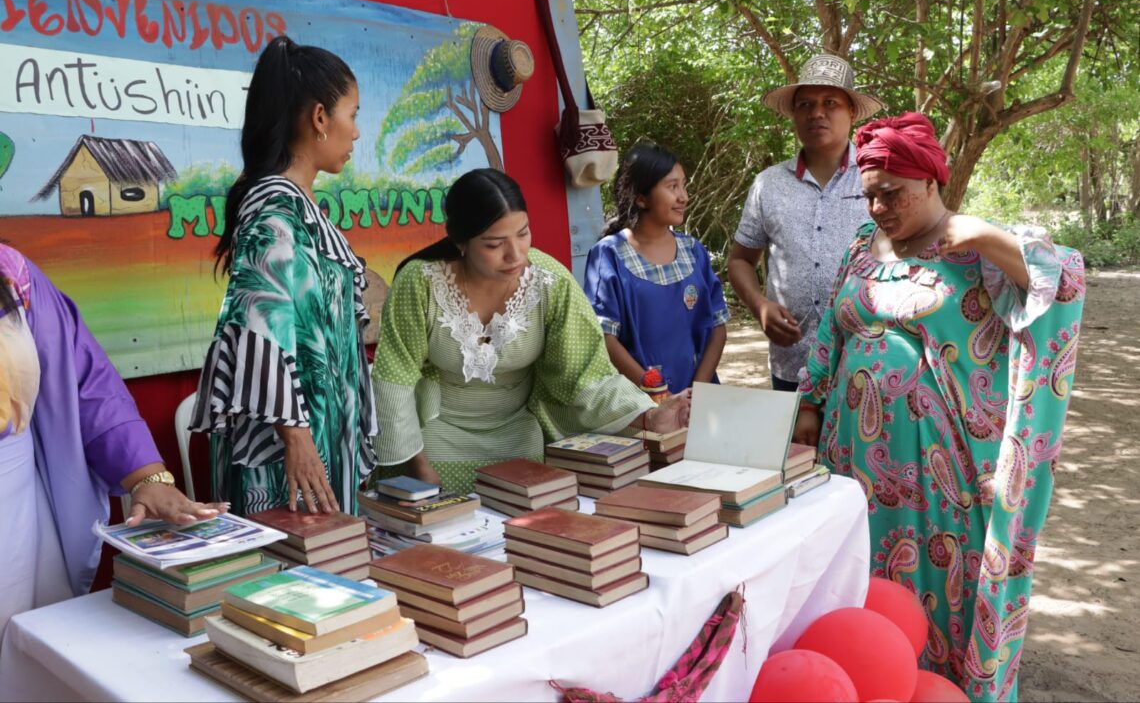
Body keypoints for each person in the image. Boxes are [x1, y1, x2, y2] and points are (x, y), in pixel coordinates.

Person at [791, 113, 1086, 701]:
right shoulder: (861, 245)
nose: (878, 207)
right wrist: (808, 409)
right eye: (869, 195)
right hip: (850, 461)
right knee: (860, 577)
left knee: (942, 582)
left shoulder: (972, 248)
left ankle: (943, 687)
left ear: (930, 181)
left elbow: (1062, 283)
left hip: (941, 473)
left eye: (892, 193)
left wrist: (984, 236)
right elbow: (831, 333)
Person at [371, 168, 691, 493]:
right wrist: (418, 466)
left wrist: (649, 417)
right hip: (433, 443)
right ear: (460, 242)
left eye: (523, 233)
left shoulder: (549, 281)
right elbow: (394, 378)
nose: (515, 254)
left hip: (520, 441)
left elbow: (586, 376)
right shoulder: (420, 284)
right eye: (494, 244)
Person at [190, 36, 377, 517]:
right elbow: (260, 324)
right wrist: (296, 437)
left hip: (317, 435)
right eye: (352, 114)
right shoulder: (276, 212)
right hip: (287, 455)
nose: (357, 132)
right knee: (290, 561)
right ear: (320, 118)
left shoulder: (300, 208)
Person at [0, 244, 223, 640]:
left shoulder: (11, 273)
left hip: (16, 512)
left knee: (23, 639)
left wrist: (148, 478)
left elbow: (85, 380)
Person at [727, 54, 884, 391]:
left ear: (851, 112)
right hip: (792, 363)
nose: (816, 113)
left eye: (830, 103)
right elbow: (740, 260)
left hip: (867, 362)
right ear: (794, 114)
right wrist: (759, 306)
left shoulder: (878, 178)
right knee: (794, 430)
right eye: (805, 105)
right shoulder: (768, 184)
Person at [584, 143, 729, 393]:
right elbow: (604, 337)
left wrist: (697, 393)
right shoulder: (608, 255)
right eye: (672, 187)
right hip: (639, 402)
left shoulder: (693, 251)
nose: (683, 196)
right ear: (641, 197)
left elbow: (717, 326)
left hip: (699, 399)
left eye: (683, 185)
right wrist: (657, 392)